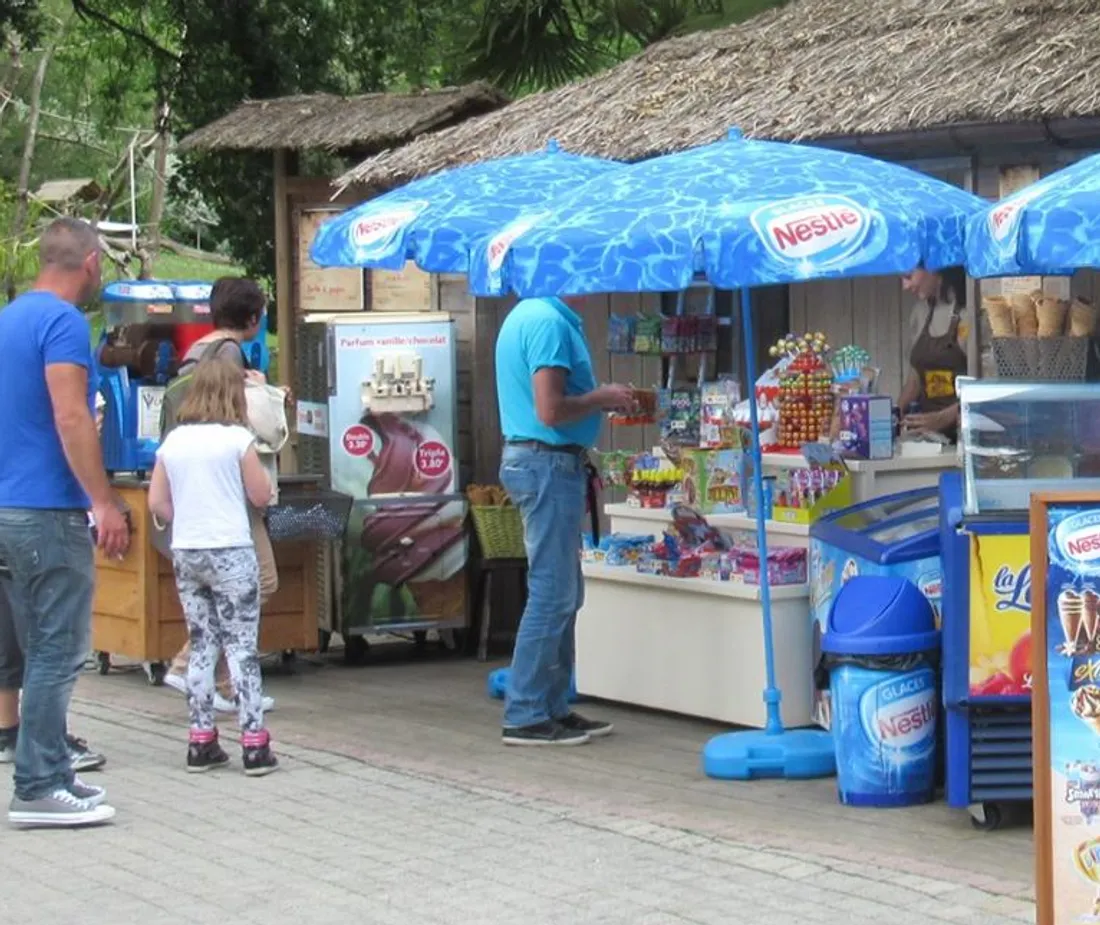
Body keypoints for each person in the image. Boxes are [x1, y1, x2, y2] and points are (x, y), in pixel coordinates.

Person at [0, 217, 130, 828]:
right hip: (48, 509)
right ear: (91, 261)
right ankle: (37, 786)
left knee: (33, 645)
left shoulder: (8, 320)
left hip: (7, 506)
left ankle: (50, 766)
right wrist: (102, 501)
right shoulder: (64, 323)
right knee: (59, 648)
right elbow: (71, 415)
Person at [495, 295, 633, 746]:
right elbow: (550, 410)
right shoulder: (548, 323)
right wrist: (603, 398)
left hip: (544, 463)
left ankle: (551, 704)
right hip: (546, 462)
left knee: (565, 592)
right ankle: (527, 710)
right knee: (553, 592)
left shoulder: (528, 314)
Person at [149, 358, 279, 776]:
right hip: (231, 550)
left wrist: (186, 518)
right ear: (232, 394)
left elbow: (157, 503)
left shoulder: (174, 442)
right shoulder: (237, 439)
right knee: (242, 647)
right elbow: (260, 495)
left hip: (189, 550)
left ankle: (201, 739)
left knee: (202, 642)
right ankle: (255, 743)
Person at [160, 277, 277, 714]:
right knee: (259, 582)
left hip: (196, 494)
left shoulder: (196, 350)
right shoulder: (230, 354)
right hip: (230, 492)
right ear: (253, 317)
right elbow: (242, 420)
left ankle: (223, 686)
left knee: (226, 591)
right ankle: (190, 665)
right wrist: (263, 391)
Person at [0, 568, 107, 774]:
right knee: (46, 650)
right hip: (31, 550)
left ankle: (7, 735)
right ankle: (50, 747)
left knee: (7, 639)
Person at [898, 265, 971, 443]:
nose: (905, 286)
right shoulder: (920, 312)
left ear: (934, 269)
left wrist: (943, 418)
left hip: (966, 436)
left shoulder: (969, 313)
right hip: (930, 440)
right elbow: (916, 377)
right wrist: (894, 412)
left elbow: (985, 384)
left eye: (909, 276)